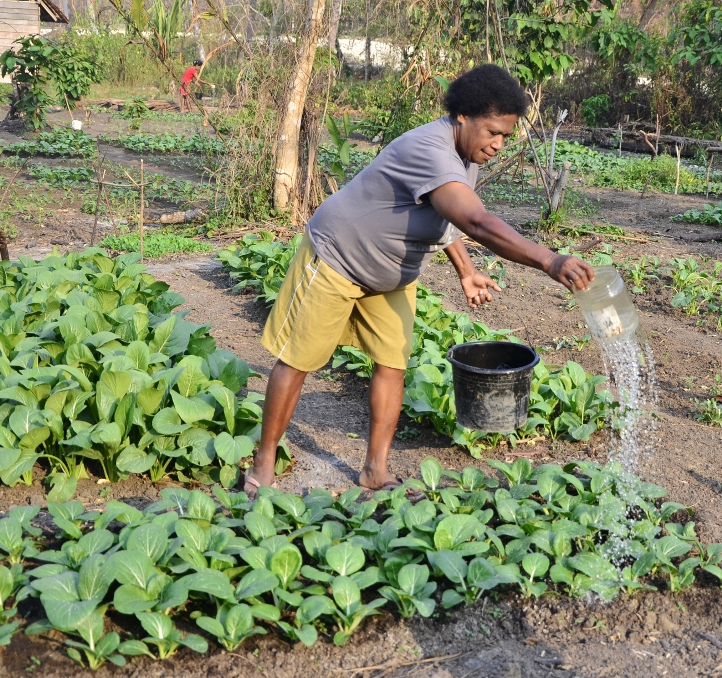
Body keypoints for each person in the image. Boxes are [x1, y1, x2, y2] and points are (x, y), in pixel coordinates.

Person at [244, 64, 595, 497]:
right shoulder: (429, 148)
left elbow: (446, 217)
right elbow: (475, 220)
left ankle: (375, 469)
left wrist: (466, 271)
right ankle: (263, 462)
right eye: (493, 132)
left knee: (392, 365)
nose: (498, 145)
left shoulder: (466, 155)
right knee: (298, 362)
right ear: (463, 116)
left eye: (505, 136)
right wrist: (548, 259)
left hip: (391, 275)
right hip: (337, 256)